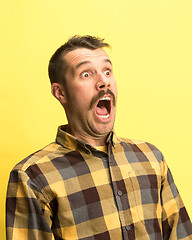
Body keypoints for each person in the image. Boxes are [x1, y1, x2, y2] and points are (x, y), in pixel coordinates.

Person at [6, 35, 192, 240]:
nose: (103, 81)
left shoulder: (151, 158)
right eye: (86, 74)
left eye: (107, 71)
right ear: (60, 93)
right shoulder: (32, 176)